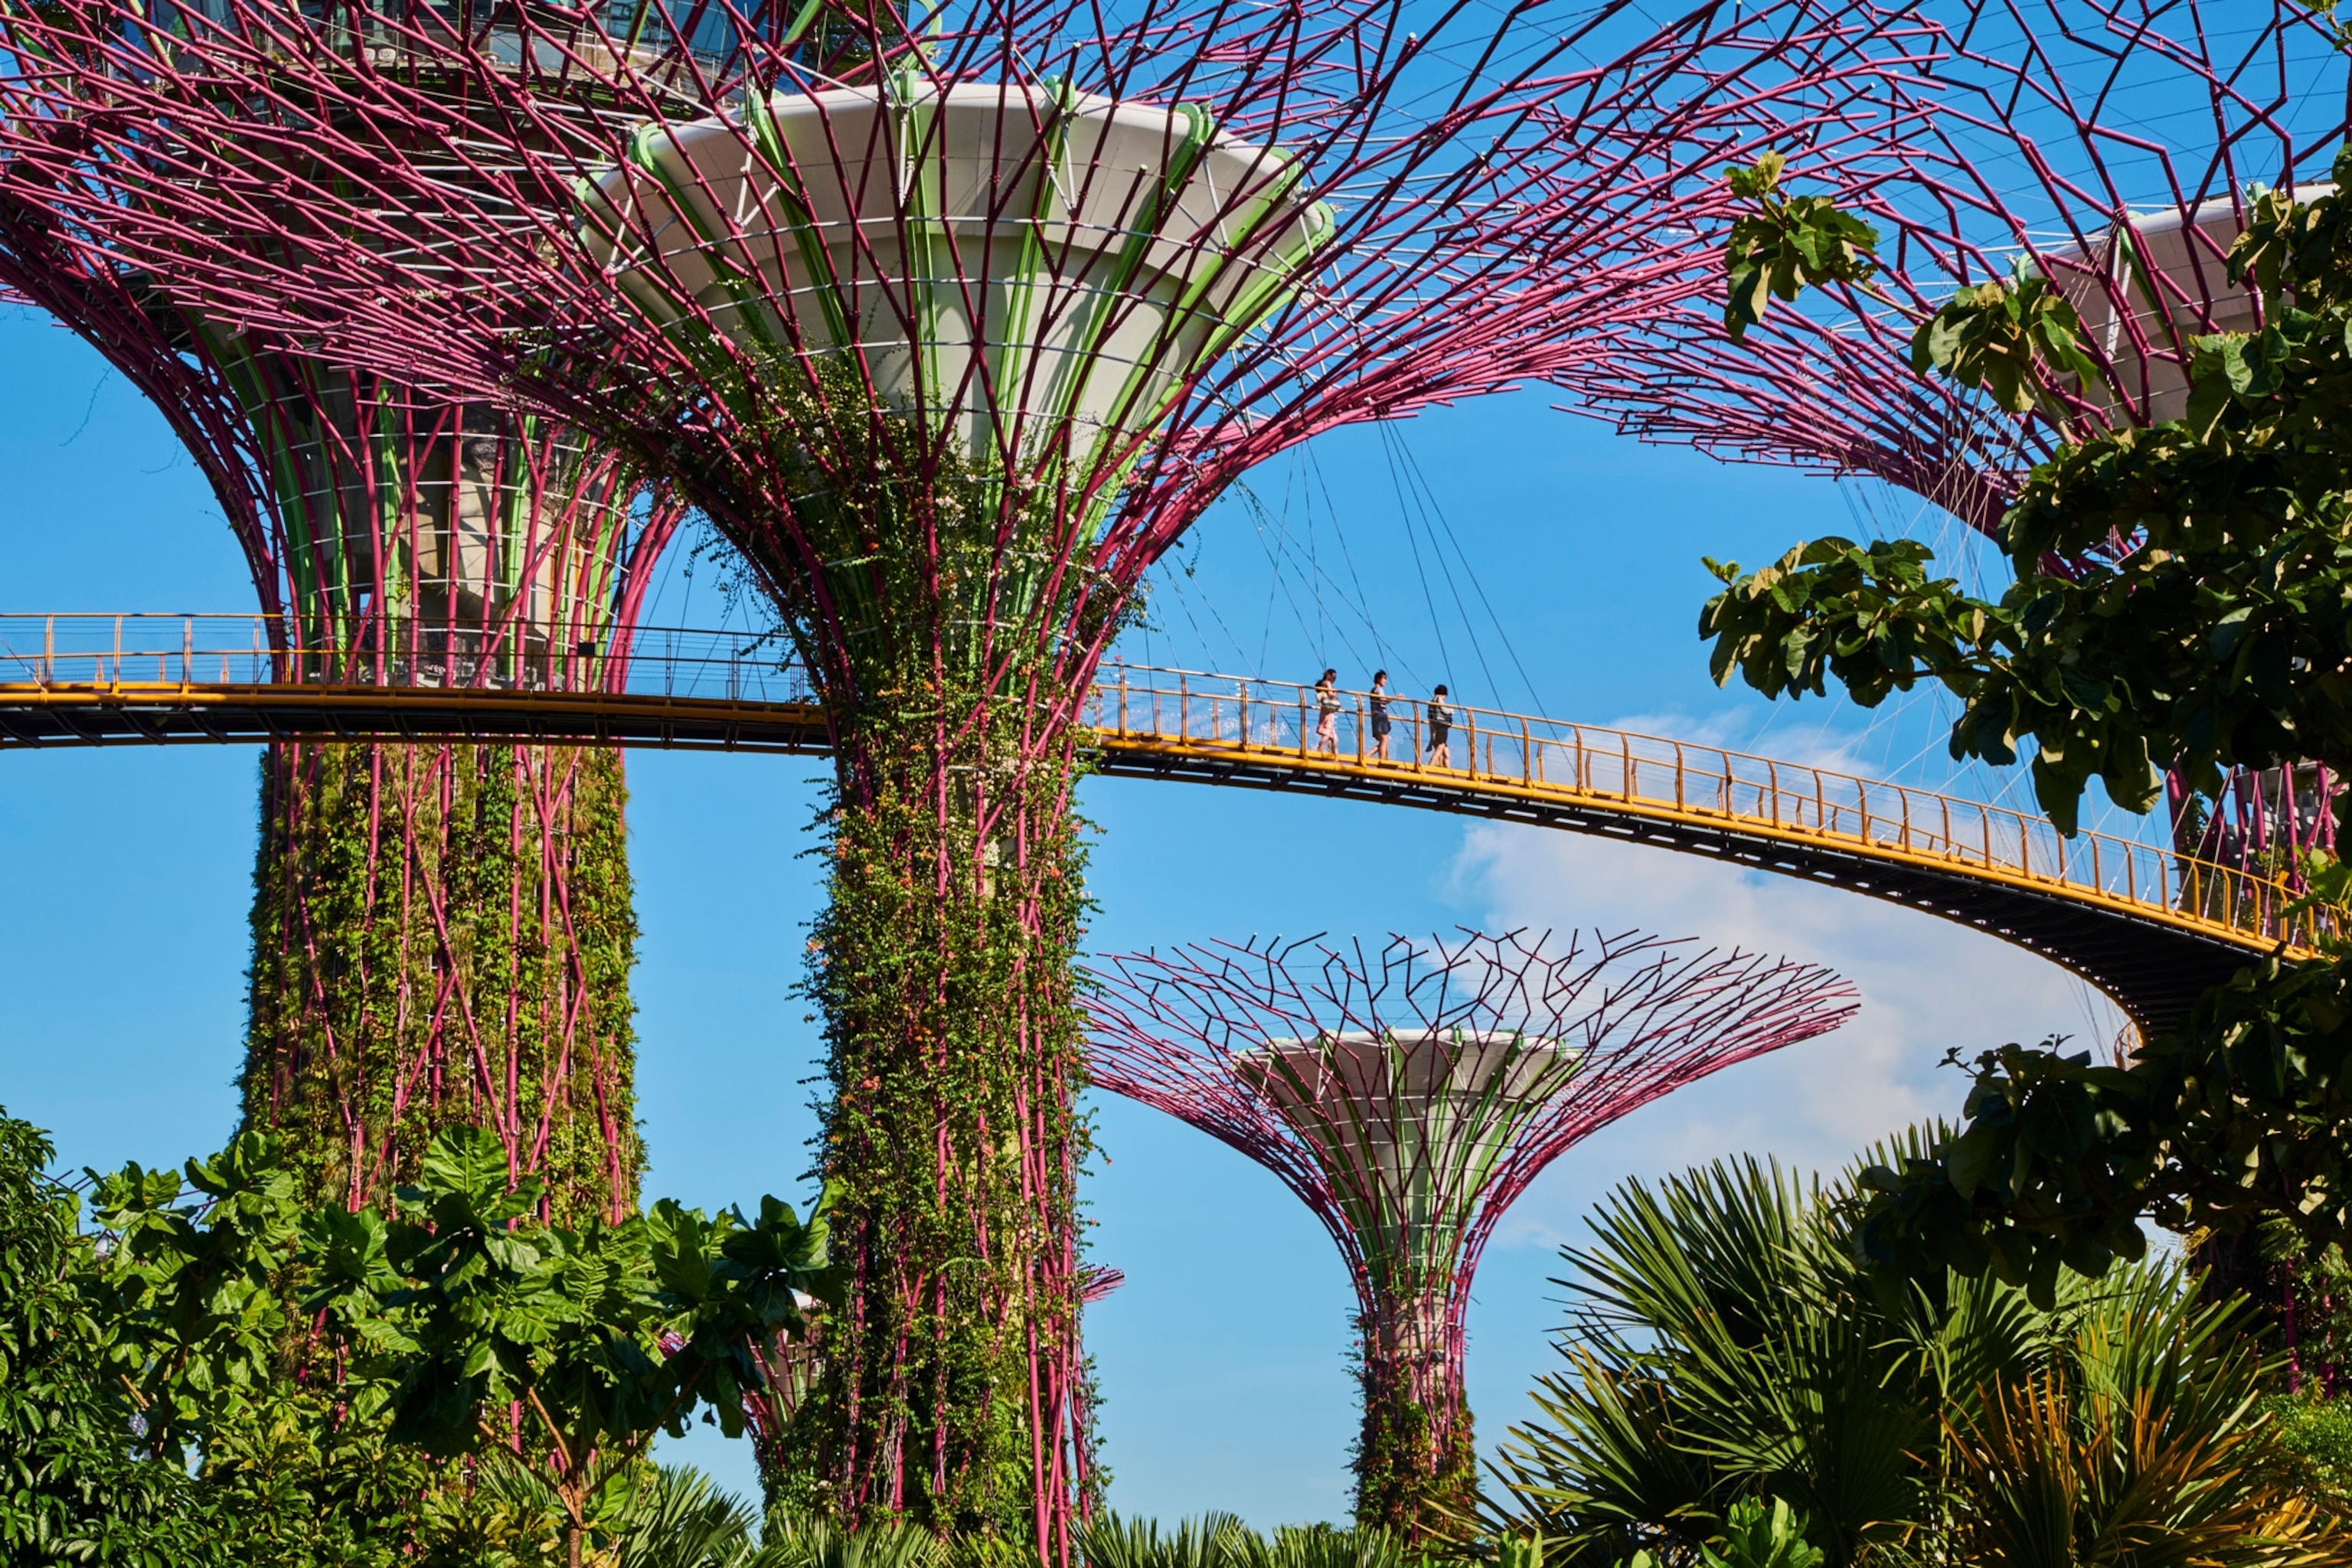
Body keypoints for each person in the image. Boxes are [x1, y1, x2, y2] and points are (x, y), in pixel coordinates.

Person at [1314, 668, 1341, 756]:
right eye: (1333, 677)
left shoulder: (1323, 683)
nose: (1334, 679)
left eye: (1335, 678)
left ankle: (1333, 755)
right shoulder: (1327, 683)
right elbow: (1331, 695)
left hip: (1326, 711)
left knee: (1334, 738)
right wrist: (1336, 693)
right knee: (1327, 735)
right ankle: (1319, 750)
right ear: (1328, 675)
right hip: (1327, 712)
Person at [1425, 684, 1452, 769]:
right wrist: (1450, 711)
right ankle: (1431, 766)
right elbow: (1444, 710)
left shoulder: (1432, 701)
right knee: (1440, 748)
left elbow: (1430, 717)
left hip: (1436, 727)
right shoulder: (1439, 700)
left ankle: (1447, 769)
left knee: (1446, 752)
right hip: (1442, 726)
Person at [1369, 669, 1393, 760]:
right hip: (1380, 716)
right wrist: (1396, 698)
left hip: (1376, 717)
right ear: (1379, 679)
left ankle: (1368, 755)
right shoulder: (1379, 690)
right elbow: (1383, 701)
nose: (1386, 681)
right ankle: (1382, 759)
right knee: (1384, 740)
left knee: (1384, 740)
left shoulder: (1373, 690)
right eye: (1384, 678)